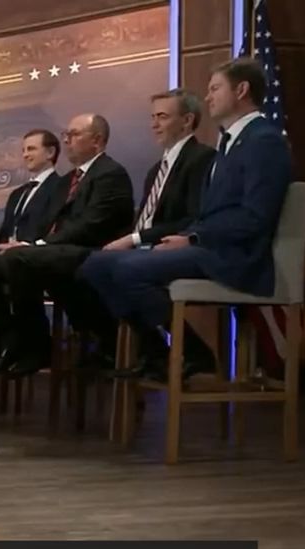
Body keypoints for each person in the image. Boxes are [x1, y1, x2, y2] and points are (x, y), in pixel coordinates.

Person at [80, 58, 292, 382]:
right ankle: (157, 353)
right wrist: (187, 237)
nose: (208, 97)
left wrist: (193, 238)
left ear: (241, 90)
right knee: (95, 265)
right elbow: (211, 212)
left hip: (235, 256)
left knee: (127, 270)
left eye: (215, 88)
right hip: (209, 246)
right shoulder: (231, 141)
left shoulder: (264, 140)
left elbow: (256, 216)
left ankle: (195, 354)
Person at [72, 89, 217, 362]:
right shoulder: (156, 169)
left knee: (114, 269)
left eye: (162, 117)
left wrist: (135, 239)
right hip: (146, 246)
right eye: (152, 117)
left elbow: (192, 218)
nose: (154, 124)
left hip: (175, 246)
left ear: (187, 121)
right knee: (90, 268)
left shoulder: (202, 158)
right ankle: (154, 353)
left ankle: (193, 351)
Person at [0, 114, 134, 376]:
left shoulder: (110, 173)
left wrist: (36, 245)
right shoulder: (68, 180)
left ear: (97, 140)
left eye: (74, 134)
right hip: (61, 250)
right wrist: (29, 243)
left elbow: (91, 225)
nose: (67, 140)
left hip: (93, 251)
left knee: (19, 259)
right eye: (66, 135)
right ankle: (7, 340)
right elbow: (50, 222)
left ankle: (38, 345)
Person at [0, 130, 63, 360]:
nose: (25, 155)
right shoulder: (17, 194)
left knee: (1, 266)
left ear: (50, 152)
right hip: (7, 254)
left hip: (36, 255)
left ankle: (29, 342)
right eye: (23, 150)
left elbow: (55, 229)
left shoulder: (61, 188)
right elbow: (4, 234)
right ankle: (4, 339)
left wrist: (23, 244)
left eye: (31, 149)